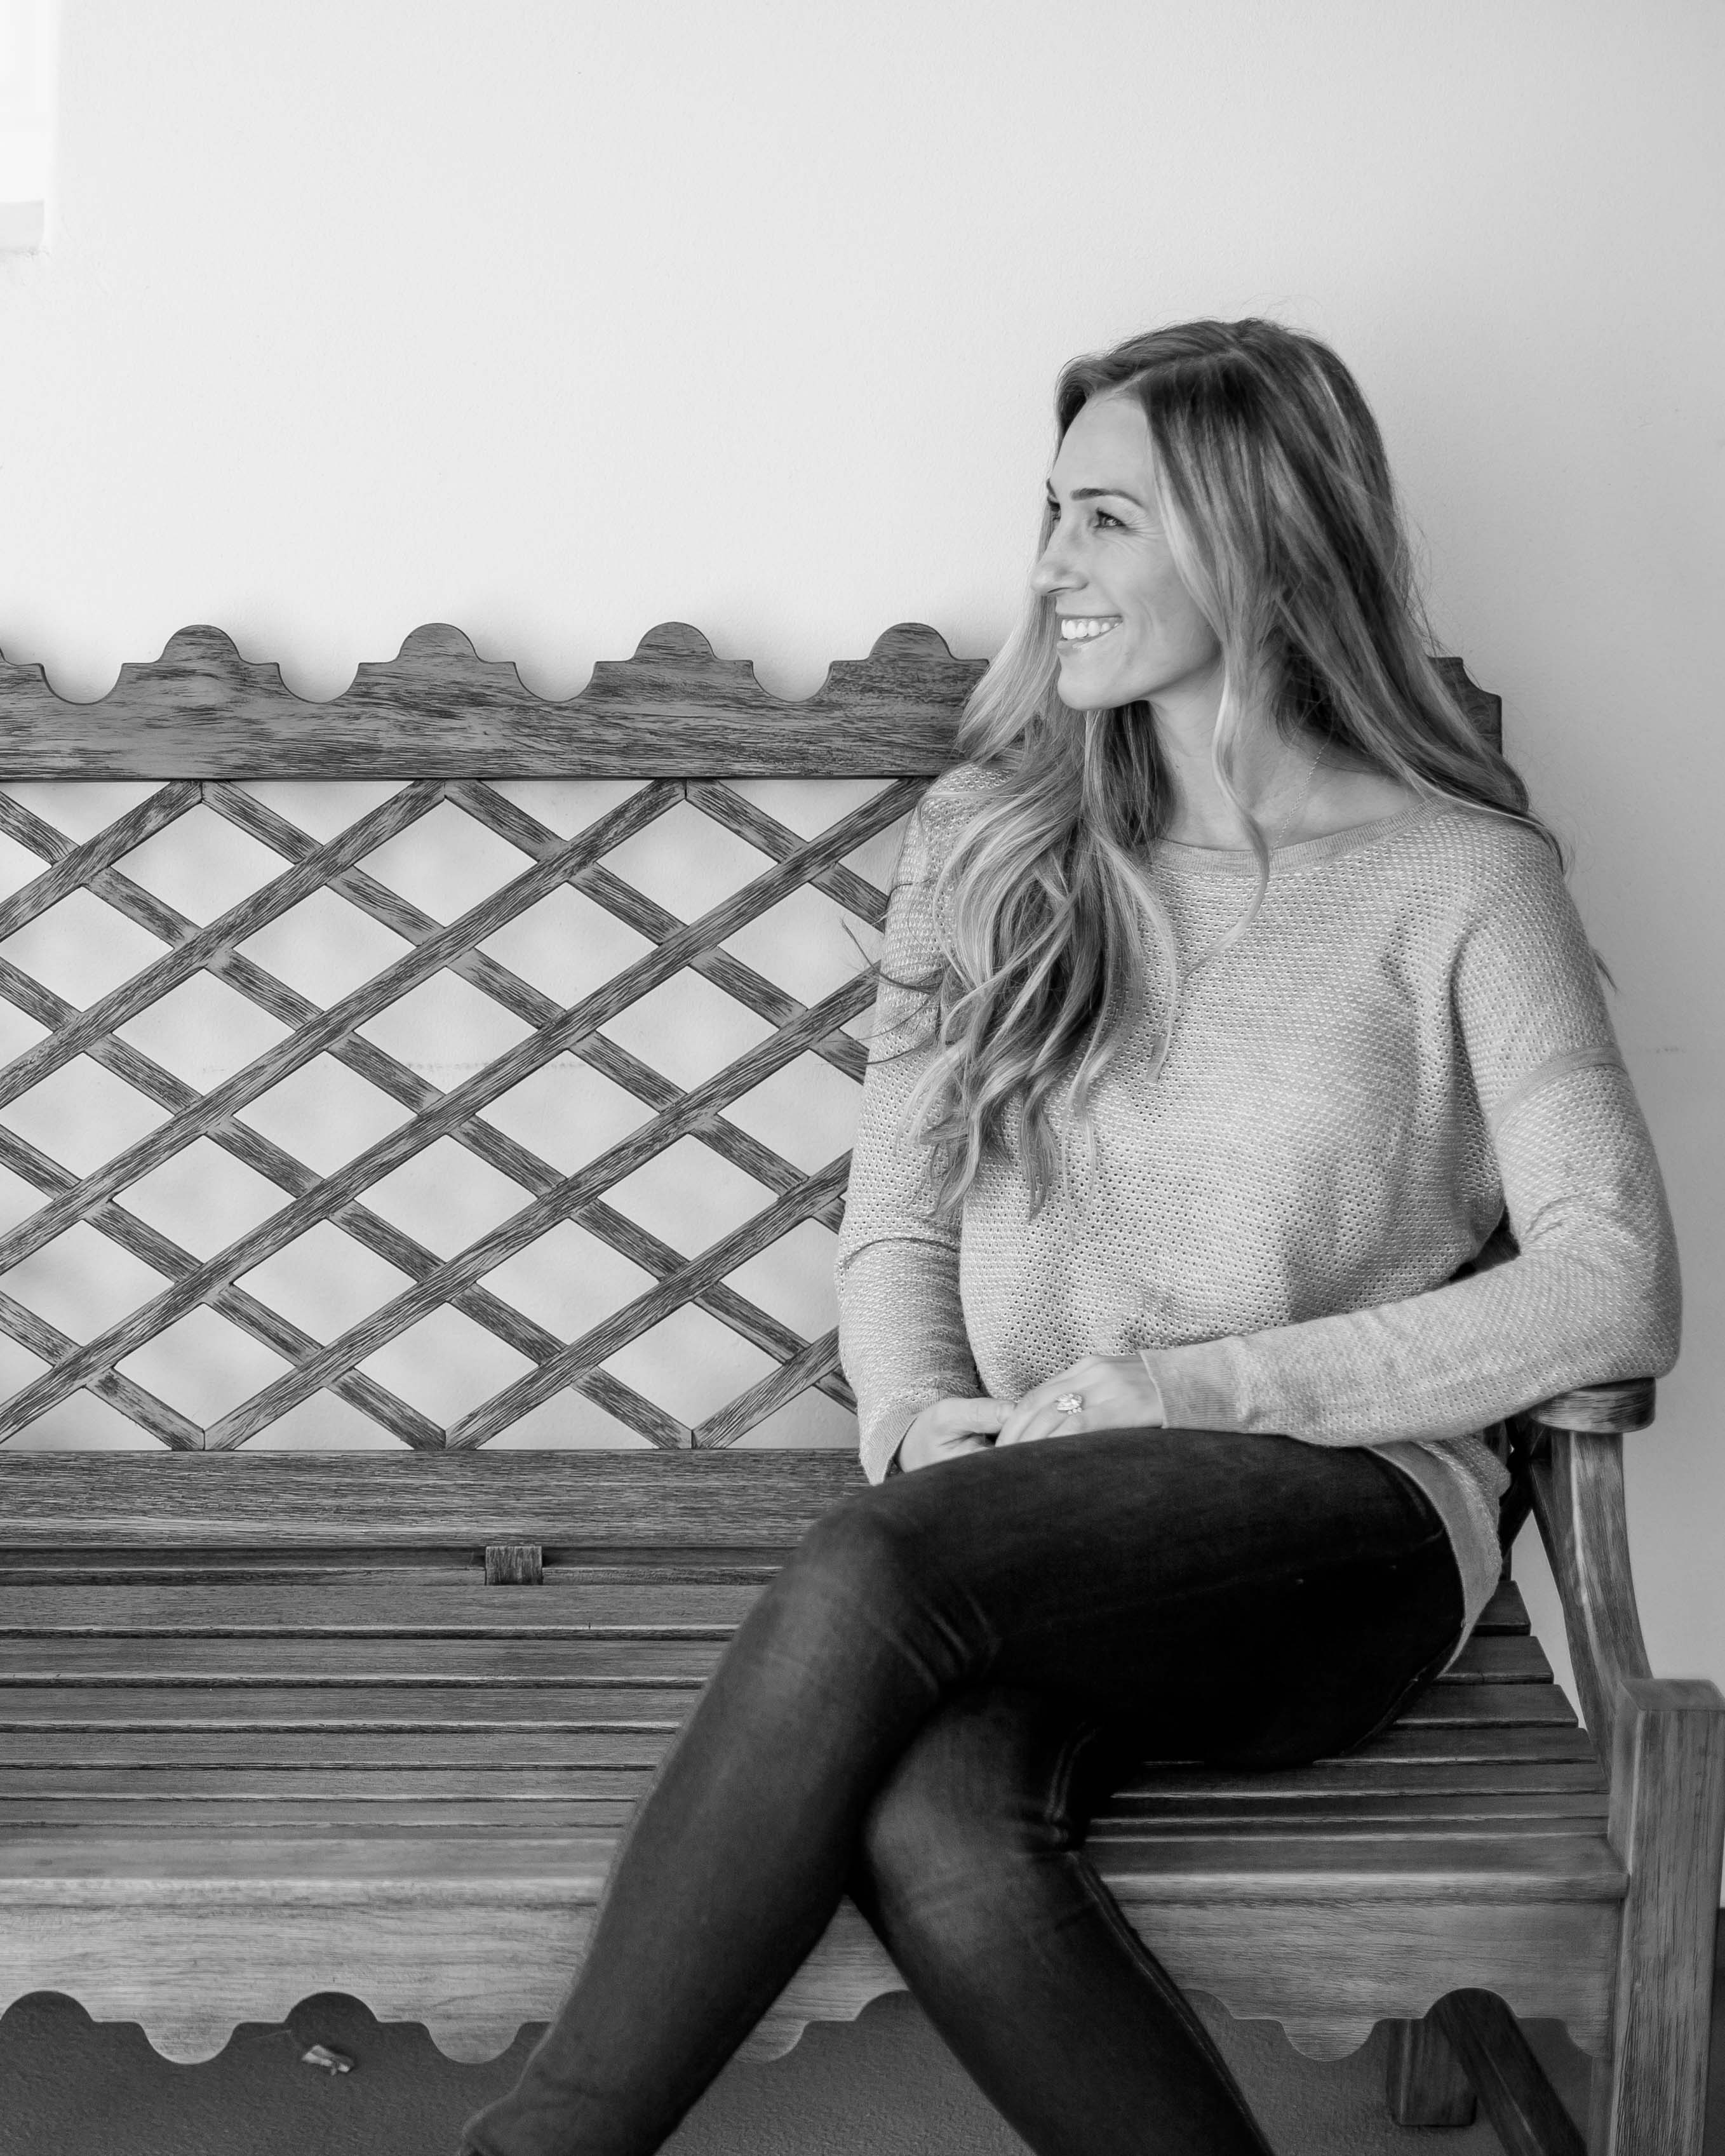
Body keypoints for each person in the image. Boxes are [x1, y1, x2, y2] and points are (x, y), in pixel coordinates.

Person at [458, 318, 1681, 2155]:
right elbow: (894, 1214)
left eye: (1105, 518)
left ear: (1260, 539)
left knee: (873, 1570)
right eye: (1051, 512)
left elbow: (1612, 1282)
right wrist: (913, 1421)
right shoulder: (992, 846)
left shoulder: (1462, 880)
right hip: (1027, 1521)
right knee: (934, 1816)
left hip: (1343, 1526)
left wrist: (1189, 1389)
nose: (1046, 567)